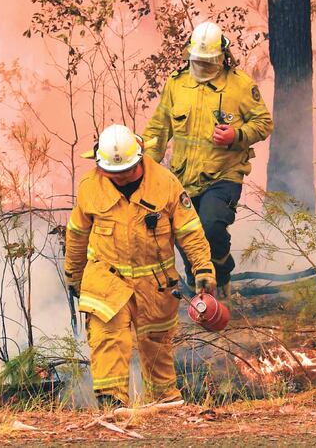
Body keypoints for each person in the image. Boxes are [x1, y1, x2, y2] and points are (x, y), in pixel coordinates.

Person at [64, 124, 215, 408]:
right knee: (108, 336)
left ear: (141, 157)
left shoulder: (166, 184)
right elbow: (76, 235)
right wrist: (74, 274)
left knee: (156, 343)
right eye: (114, 173)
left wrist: (203, 269)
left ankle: (164, 402)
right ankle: (112, 404)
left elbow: (190, 231)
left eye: (127, 172)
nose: (120, 178)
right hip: (106, 278)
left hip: (155, 284)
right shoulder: (90, 188)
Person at [142, 21, 273, 297]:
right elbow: (157, 130)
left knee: (211, 226)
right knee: (184, 234)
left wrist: (236, 135)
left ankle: (222, 274)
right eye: (197, 61)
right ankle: (200, 296)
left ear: (222, 56)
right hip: (183, 177)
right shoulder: (176, 84)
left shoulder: (240, 86)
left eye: (208, 61)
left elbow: (263, 123)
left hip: (223, 175)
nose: (202, 67)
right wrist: (146, 172)